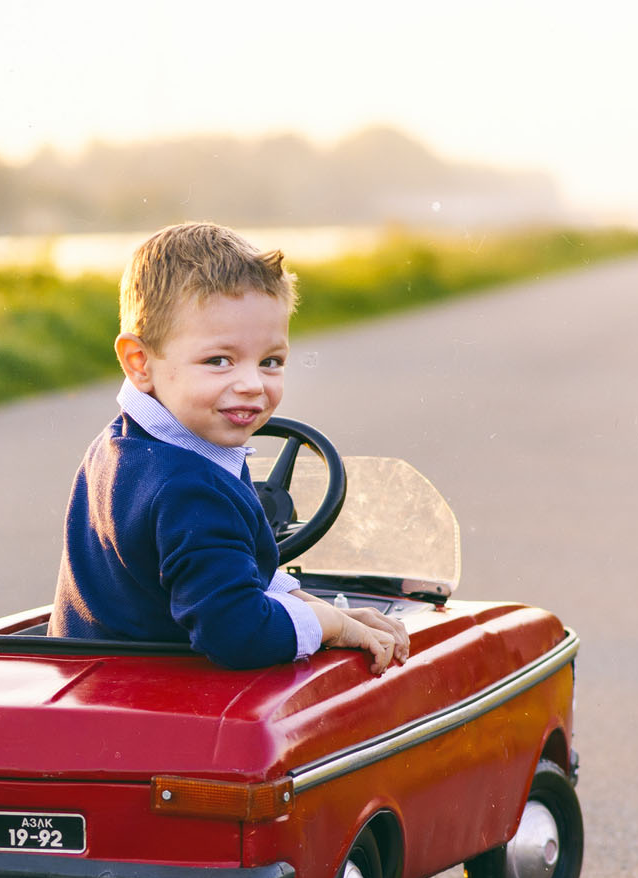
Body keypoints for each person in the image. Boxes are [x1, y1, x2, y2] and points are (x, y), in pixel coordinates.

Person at [48, 221, 409, 673]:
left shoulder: (126, 445)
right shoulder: (190, 488)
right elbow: (238, 633)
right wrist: (332, 627)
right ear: (140, 363)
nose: (252, 384)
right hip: (159, 704)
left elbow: (231, 572)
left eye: (271, 361)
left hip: (91, 683)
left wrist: (316, 606)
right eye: (219, 360)